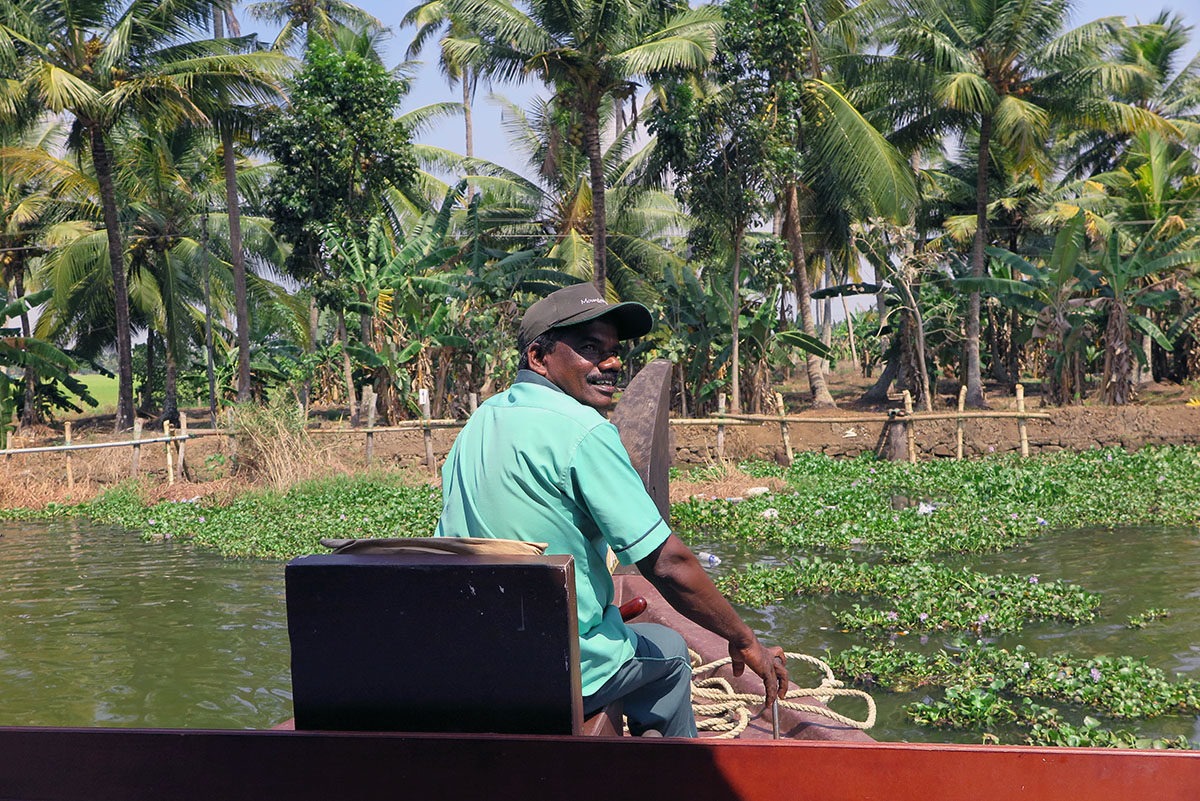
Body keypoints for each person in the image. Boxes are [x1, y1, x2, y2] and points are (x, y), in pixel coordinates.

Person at [436, 283, 788, 737]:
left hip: (469, 656)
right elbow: (668, 564)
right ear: (539, 358)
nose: (613, 362)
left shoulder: (481, 419)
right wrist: (744, 640)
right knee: (670, 649)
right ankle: (675, 779)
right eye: (589, 348)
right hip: (556, 669)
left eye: (614, 350)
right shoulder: (582, 430)